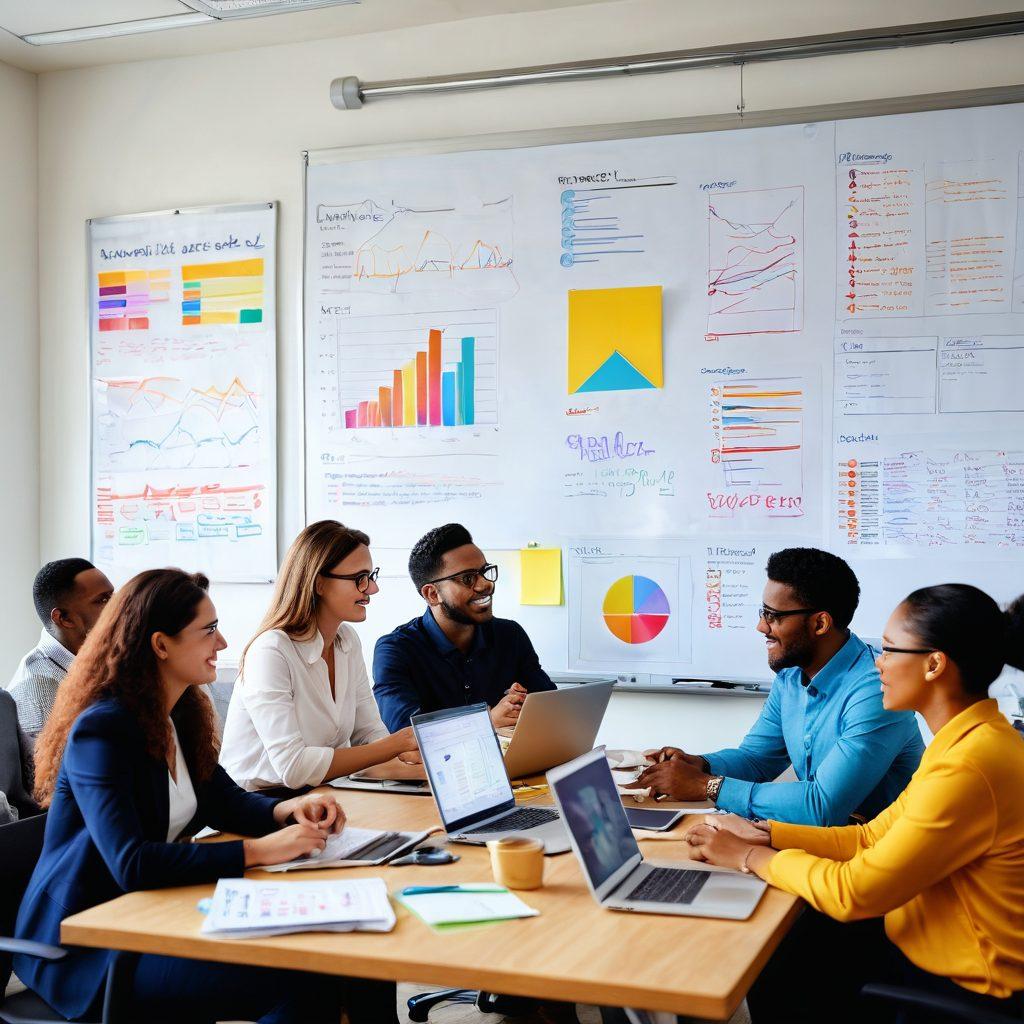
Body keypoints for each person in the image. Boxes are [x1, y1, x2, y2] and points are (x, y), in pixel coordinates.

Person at [17, 568, 398, 1024]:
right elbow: (132, 862)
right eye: (209, 630)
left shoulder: (178, 713)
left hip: (154, 914)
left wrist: (287, 810)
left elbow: (227, 802)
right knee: (301, 974)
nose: (222, 644)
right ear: (161, 645)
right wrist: (257, 851)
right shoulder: (104, 729)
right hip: (93, 944)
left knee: (357, 951)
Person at [684, 583, 1024, 1023]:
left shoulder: (970, 765)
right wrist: (770, 833)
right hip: (926, 936)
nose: (877, 663)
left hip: (970, 984)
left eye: (888, 650)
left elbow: (853, 892)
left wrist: (749, 855)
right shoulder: (966, 741)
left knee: (784, 963)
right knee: (789, 949)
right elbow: (871, 837)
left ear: (934, 664)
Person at [637, 548, 923, 825]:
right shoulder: (790, 677)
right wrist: (701, 765)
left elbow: (822, 806)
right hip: (824, 845)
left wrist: (708, 786)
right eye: (762, 612)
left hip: (880, 854)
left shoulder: (877, 689)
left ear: (820, 623)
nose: (762, 627)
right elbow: (757, 760)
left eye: (773, 616)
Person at [220, 521, 417, 792]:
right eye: (360, 578)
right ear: (319, 583)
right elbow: (293, 767)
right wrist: (396, 745)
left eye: (372, 576)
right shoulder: (271, 651)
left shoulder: (347, 640)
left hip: (325, 792)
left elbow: (369, 736)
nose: (372, 589)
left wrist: (412, 760)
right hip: (261, 803)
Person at [372, 523, 555, 733]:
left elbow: (551, 706)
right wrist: (487, 721)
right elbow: (405, 731)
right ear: (432, 594)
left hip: (513, 763)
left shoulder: (510, 635)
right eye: (468, 578)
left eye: (485, 572)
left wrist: (522, 703)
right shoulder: (395, 649)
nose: (485, 584)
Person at [6, 558, 114, 738]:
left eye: (113, 596)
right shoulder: (38, 692)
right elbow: (53, 766)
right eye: (102, 600)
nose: (117, 607)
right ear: (64, 618)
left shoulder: (100, 661)